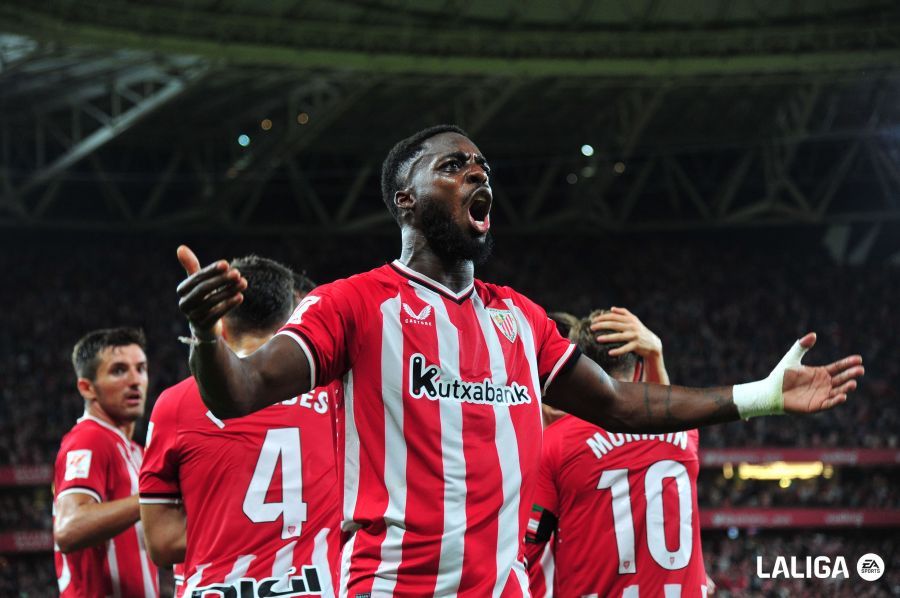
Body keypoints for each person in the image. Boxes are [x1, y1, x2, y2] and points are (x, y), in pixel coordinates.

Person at [173, 124, 863, 596]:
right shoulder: (353, 304)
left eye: (483, 169)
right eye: (453, 165)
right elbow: (240, 391)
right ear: (403, 199)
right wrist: (208, 335)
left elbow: (622, 405)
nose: (477, 173)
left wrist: (761, 396)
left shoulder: (519, 319)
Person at [139, 255, 340, 597]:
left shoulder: (173, 405)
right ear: (290, 321)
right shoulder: (336, 396)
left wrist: (226, 521)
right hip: (316, 588)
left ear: (222, 325)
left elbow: (161, 544)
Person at [526, 308, 713, 597]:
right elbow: (664, 414)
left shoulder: (554, 444)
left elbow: (521, 552)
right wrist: (655, 355)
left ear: (580, 370)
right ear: (638, 369)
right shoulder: (687, 434)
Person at [53, 327, 159, 597]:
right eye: (119, 370)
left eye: (141, 368)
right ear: (87, 388)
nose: (135, 380)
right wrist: (154, 496)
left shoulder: (137, 451)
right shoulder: (89, 439)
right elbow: (69, 528)